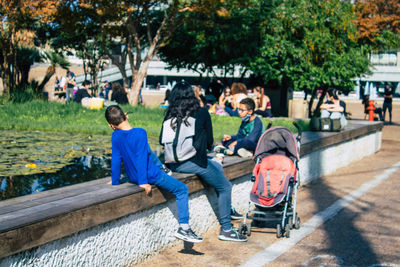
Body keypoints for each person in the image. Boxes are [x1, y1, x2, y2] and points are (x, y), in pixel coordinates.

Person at [159, 81, 247, 242]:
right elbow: (209, 143)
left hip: (173, 163)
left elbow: (161, 141)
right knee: (225, 186)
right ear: (192, 96)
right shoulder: (201, 112)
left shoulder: (169, 114)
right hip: (192, 162)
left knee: (215, 165)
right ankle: (226, 229)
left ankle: (227, 207)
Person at [105, 105, 202, 243]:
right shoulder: (140, 132)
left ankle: (164, 169)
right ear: (126, 116)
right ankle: (184, 228)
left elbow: (115, 159)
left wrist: (115, 180)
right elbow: (140, 158)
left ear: (111, 125)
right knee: (182, 189)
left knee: (153, 159)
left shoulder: (116, 135)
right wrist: (143, 182)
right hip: (150, 175)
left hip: (133, 176)